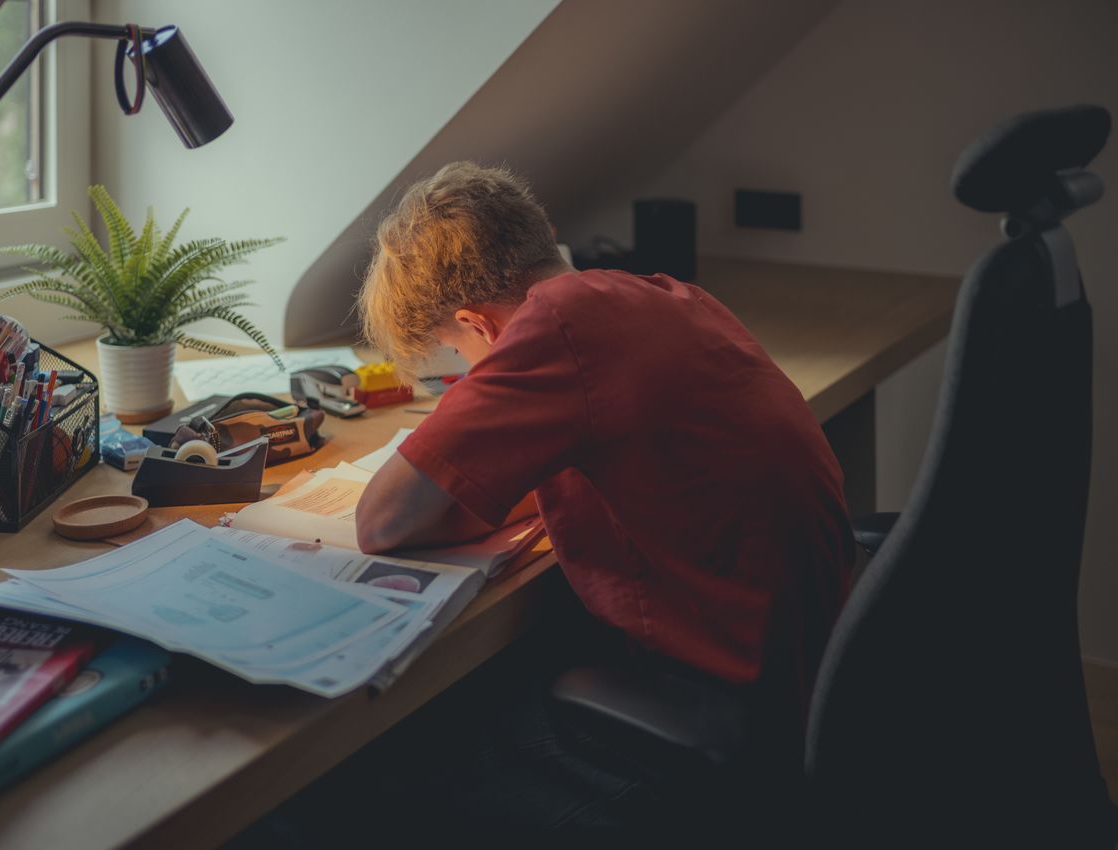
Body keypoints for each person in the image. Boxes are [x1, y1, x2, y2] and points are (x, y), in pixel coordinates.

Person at [253, 162, 854, 842]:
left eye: (458, 354)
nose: (468, 373)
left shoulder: (557, 327)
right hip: (803, 671)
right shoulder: (661, 295)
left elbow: (383, 521)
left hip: (717, 690)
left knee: (351, 780)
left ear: (475, 322)